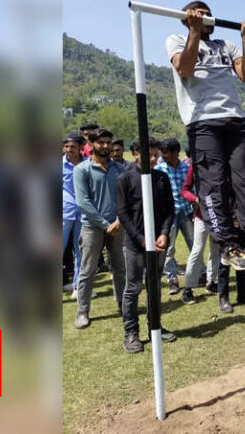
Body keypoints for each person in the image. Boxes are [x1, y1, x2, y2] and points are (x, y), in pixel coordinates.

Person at [166, 0, 245, 271]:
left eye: (208, 15)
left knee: (243, 179)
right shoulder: (176, 39)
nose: (205, 19)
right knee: (212, 183)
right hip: (202, 122)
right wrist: (194, 32)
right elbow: (184, 68)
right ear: (186, 19)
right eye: (199, 16)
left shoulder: (225, 45)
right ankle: (227, 243)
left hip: (234, 120)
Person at [114, 137, 177, 353]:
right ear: (136, 154)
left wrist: (164, 233)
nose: (153, 159)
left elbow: (169, 209)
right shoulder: (125, 179)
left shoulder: (161, 178)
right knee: (132, 288)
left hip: (158, 244)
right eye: (148, 154)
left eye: (156, 155)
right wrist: (141, 239)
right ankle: (131, 333)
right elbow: (123, 214)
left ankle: (155, 327)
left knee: (154, 287)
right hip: (135, 244)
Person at [72, 128, 126, 329]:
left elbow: (125, 198)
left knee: (120, 268)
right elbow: (84, 202)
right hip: (92, 228)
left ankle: (122, 304)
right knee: (87, 270)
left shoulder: (118, 169)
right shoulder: (82, 170)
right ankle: (83, 312)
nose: (105, 146)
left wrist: (119, 220)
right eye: (101, 142)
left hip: (118, 227)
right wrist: (105, 225)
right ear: (92, 144)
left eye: (108, 142)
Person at [155, 137, 194, 295]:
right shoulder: (159, 170)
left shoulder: (186, 168)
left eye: (165, 153)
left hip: (186, 211)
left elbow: (192, 189)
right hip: (168, 215)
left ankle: (197, 275)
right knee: (168, 248)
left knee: (194, 245)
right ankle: (172, 279)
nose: (163, 156)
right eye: (162, 152)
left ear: (176, 152)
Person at [180, 160, 220, 304]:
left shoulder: (220, 164)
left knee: (216, 250)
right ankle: (188, 288)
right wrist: (195, 199)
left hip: (218, 216)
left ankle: (211, 281)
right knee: (197, 250)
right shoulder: (195, 167)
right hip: (201, 216)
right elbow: (184, 190)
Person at [62, 132, 85, 292]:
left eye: (73, 147)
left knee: (81, 250)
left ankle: (78, 286)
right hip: (64, 212)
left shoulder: (87, 164)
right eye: (67, 147)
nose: (69, 150)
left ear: (81, 148)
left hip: (83, 213)